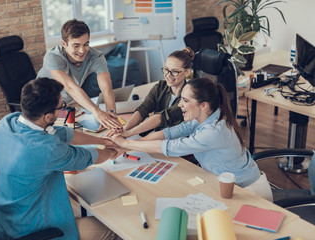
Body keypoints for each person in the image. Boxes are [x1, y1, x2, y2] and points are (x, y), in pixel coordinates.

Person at [0, 77, 121, 240]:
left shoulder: (8, 123)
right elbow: (86, 157)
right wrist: (114, 150)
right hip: (24, 231)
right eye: (61, 107)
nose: (62, 110)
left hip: (1, 220)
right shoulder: (46, 149)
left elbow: (59, 132)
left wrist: (102, 140)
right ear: (47, 116)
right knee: (116, 229)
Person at [109, 78, 273, 201]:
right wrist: (128, 139)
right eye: (181, 98)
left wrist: (126, 144)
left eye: (186, 101)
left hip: (249, 192)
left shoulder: (213, 131)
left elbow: (171, 146)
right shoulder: (205, 117)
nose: (180, 104)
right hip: (225, 184)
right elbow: (170, 133)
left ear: (203, 105)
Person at [37, 18, 121, 131]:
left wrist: (111, 114)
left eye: (86, 44)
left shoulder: (96, 57)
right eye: (76, 46)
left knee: (65, 133)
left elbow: (107, 90)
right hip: (41, 106)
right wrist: (97, 112)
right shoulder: (53, 57)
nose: (82, 51)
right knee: (47, 136)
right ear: (64, 44)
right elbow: (70, 87)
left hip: (63, 106)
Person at [110, 47, 194, 138]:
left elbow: (161, 118)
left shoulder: (188, 96)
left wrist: (129, 133)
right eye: (166, 69)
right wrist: (124, 131)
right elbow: (143, 110)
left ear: (187, 72)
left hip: (173, 141)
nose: (168, 75)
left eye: (174, 71)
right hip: (154, 135)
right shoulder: (160, 87)